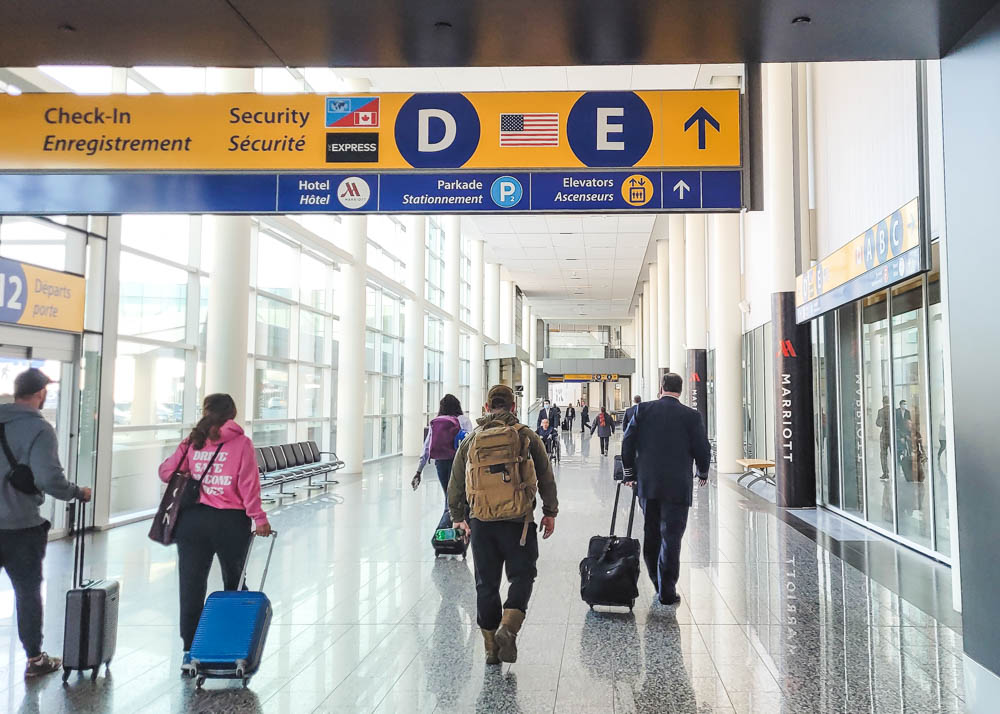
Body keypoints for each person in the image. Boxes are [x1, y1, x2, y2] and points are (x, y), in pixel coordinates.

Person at [158, 393, 271, 673]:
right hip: (231, 522)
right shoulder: (242, 444)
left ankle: (189, 651)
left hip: (193, 523)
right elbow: (248, 485)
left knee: (191, 586)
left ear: (205, 411)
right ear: (232, 414)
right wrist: (259, 518)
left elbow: (166, 472)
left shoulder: (194, 441)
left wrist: (188, 452)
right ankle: (232, 647)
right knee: (234, 582)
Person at [450, 385, 558, 665]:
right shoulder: (525, 435)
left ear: (487, 408)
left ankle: (490, 650)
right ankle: (508, 627)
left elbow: (456, 480)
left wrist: (458, 516)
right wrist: (550, 511)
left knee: (486, 584)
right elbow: (546, 475)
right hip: (518, 522)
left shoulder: (472, 439)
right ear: (513, 407)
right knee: (522, 577)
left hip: (481, 522)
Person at [0, 368, 92, 678]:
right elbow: (48, 479)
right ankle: (35, 659)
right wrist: (77, 492)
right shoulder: (40, 429)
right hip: (20, 527)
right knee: (27, 591)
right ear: (41, 393)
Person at [621, 372, 711, 606]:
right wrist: (702, 471)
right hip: (678, 487)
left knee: (651, 534)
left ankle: (655, 580)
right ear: (679, 390)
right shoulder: (691, 416)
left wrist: (629, 473)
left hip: (647, 484)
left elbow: (627, 442)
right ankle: (666, 589)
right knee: (671, 537)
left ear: (661, 387)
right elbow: (702, 447)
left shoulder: (642, 410)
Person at [411, 394, 475, 536]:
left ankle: (450, 533)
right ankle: (446, 535)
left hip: (440, 462)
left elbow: (427, 447)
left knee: (448, 496)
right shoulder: (463, 420)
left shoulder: (436, 422)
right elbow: (470, 442)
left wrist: (419, 471)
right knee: (457, 498)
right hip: (458, 463)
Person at [876, 396, 890, 481]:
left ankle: (885, 473)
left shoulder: (880, 411)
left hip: (884, 435)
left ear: (883, 402)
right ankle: (896, 470)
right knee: (894, 454)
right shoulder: (893, 411)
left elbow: (877, 423)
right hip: (892, 435)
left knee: (883, 455)